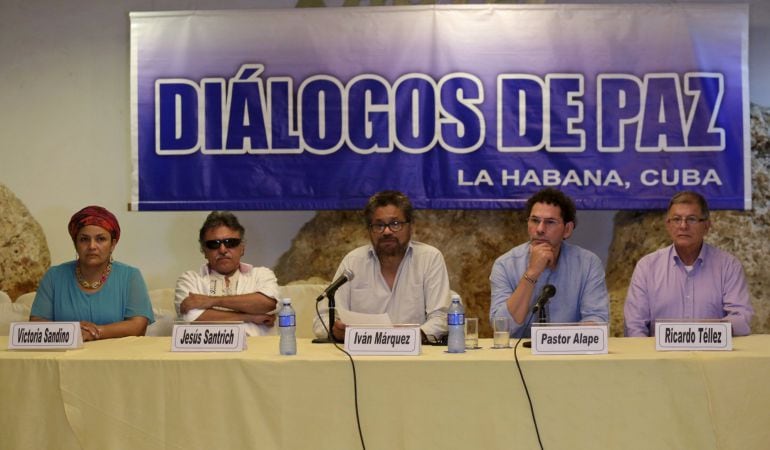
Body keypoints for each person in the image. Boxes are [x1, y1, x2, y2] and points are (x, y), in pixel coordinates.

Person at [312, 190, 451, 343]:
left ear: (411, 226)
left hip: (415, 356)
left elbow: (441, 318)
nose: (386, 231)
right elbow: (322, 319)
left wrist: (405, 339)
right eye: (379, 225)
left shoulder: (429, 259)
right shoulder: (353, 262)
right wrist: (334, 329)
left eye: (395, 224)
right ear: (369, 230)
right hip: (362, 359)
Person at [624, 191, 753, 337]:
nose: (683, 226)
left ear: (706, 225)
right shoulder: (647, 267)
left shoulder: (728, 266)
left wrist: (707, 332)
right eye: (677, 219)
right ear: (668, 225)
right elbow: (634, 326)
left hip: (713, 356)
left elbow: (742, 319)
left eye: (691, 219)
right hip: (661, 358)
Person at [489, 188, 609, 338]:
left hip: (571, 355)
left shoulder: (588, 264)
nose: (540, 229)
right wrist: (531, 273)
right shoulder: (505, 265)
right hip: (519, 356)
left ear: (567, 229)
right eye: (534, 220)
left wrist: (555, 343)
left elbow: (597, 321)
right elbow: (501, 328)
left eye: (550, 222)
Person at [30, 206, 154, 341]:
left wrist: (95, 332)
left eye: (100, 239)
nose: (92, 246)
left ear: (112, 244)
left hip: (116, 358)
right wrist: (73, 330)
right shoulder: (54, 276)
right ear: (75, 243)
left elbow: (138, 326)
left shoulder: (130, 276)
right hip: (65, 358)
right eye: (84, 239)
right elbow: (36, 325)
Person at [175, 211, 280, 336]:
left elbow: (267, 304)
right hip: (206, 353)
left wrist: (210, 301)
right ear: (204, 250)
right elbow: (191, 318)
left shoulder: (261, 274)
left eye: (230, 243)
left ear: (242, 248)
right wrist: (250, 317)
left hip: (257, 351)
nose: (223, 250)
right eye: (214, 244)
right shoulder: (190, 279)